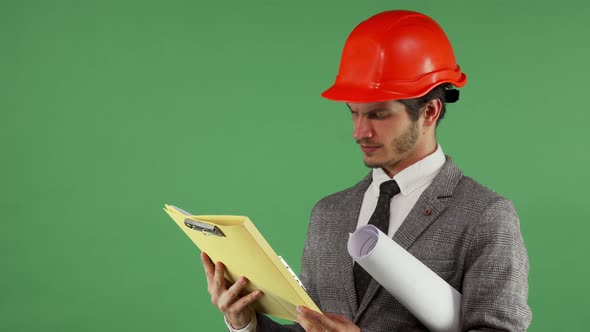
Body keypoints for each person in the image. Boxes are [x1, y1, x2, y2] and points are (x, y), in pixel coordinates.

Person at [201, 9, 532, 331]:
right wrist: (246, 323)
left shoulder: (486, 216)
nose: (359, 131)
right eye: (354, 113)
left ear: (429, 112)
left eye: (378, 115)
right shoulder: (328, 214)